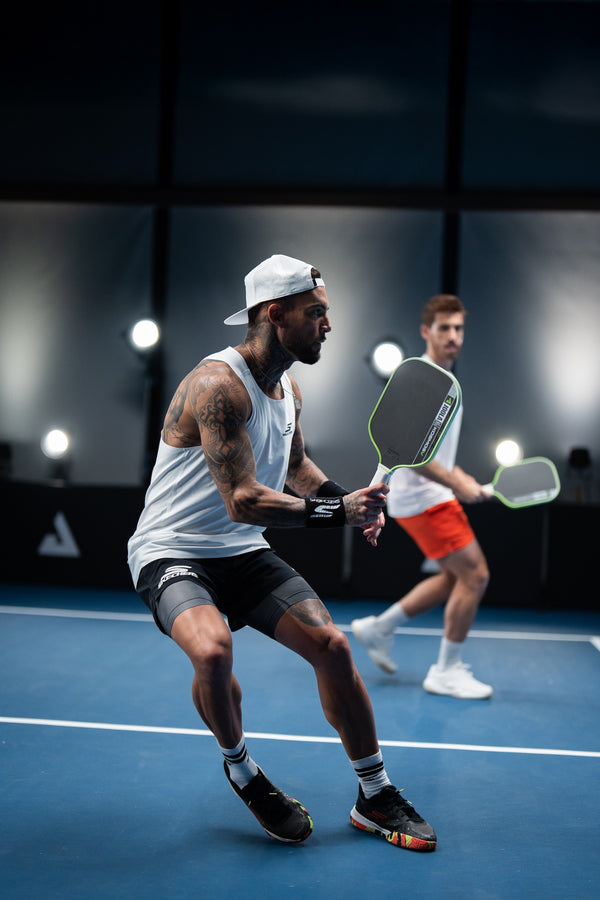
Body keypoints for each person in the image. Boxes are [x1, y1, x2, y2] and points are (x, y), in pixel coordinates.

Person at [127, 254, 437, 851]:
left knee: (333, 646)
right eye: (316, 313)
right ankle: (242, 770)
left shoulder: (287, 388)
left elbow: (294, 468)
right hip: (172, 550)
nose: (328, 325)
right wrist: (336, 515)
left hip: (241, 552)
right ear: (276, 315)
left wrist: (350, 501)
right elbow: (244, 499)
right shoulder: (217, 385)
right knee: (213, 650)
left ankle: (375, 794)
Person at [352, 294, 492, 700]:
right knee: (476, 575)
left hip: (429, 496)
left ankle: (380, 628)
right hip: (424, 498)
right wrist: (454, 484)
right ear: (426, 332)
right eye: (444, 328)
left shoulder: (447, 380)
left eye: (458, 328)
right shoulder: (424, 378)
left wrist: (460, 476)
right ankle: (446, 671)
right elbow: (412, 455)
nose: (453, 336)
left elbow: (436, 450)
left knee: (454, 577)